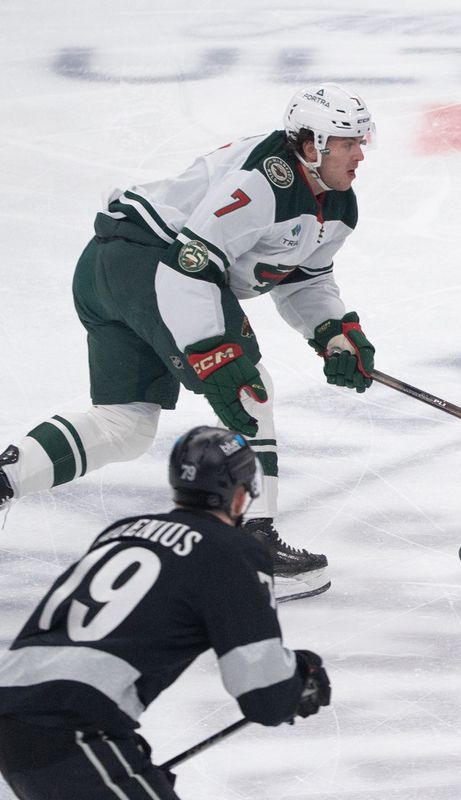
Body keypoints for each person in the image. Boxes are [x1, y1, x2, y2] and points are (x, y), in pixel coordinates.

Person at [0, 83, 380, 601]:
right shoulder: (264, 182)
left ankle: (7, 479)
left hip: (108, 267)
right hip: (148, 264)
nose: (360, 153)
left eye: (362, 139)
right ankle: (253, 550)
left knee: (125, 424)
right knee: (250, 387)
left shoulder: (335, 205)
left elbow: (304, 280)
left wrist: (333, 332)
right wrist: (215, 352)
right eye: (348, 142)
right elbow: (190, 267)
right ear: (311, 144)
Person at [0, 426, 331, 798]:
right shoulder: (230, 550)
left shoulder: (121, 531)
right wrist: (301, 676)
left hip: (19, 709)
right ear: (241, 496)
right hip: (72, 729)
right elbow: (264, 695)